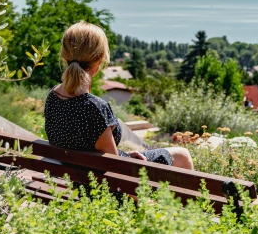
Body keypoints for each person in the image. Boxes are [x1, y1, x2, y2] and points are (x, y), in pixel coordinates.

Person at [44, 21, 194, 169]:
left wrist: (125, 155)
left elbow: (87, 149)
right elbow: (115, 168)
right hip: (103, 186)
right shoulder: (94, 107)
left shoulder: (53, 97)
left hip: (72, 178)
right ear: (100, 59)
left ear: (64, 55)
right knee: (182, 155)